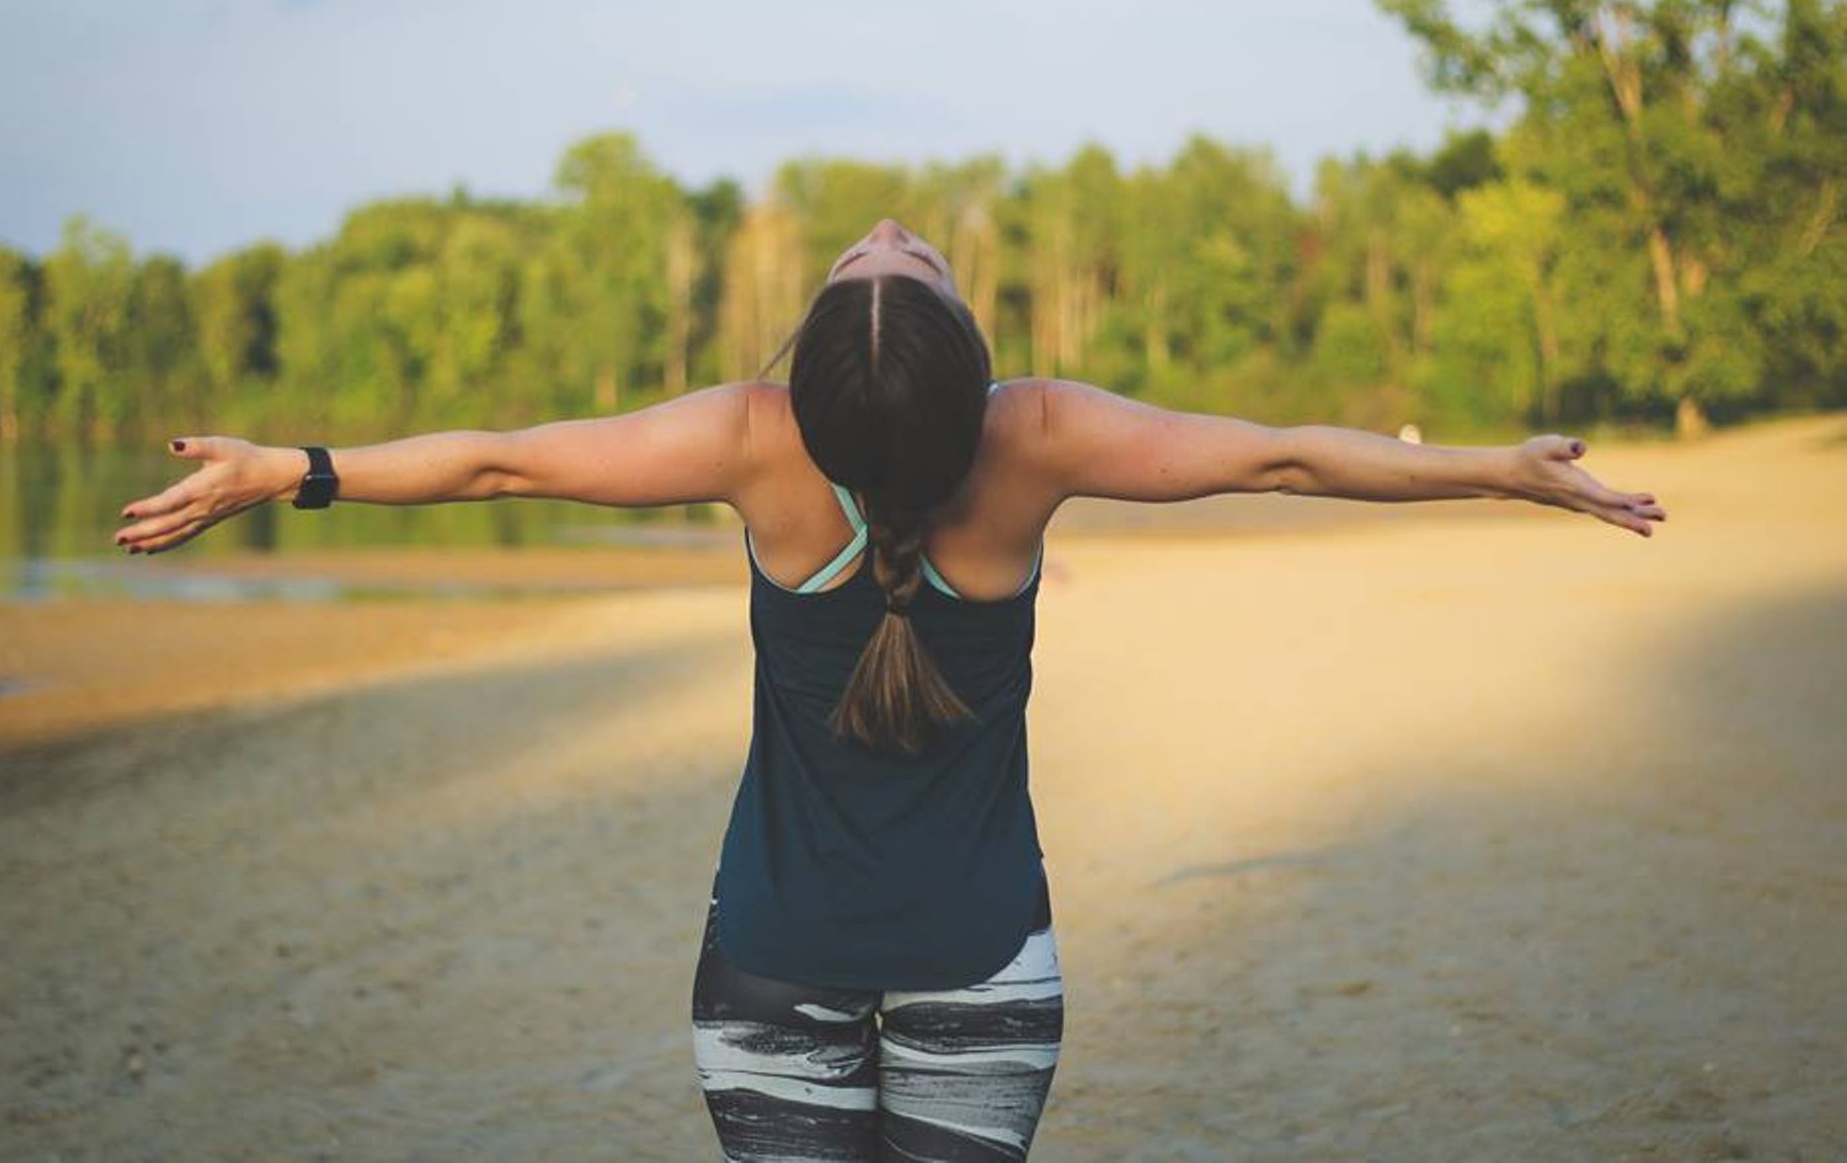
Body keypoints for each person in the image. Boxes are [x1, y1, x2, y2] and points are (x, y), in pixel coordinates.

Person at [111, 216, 1668, 1159]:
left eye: (885, 259)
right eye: (891, 258)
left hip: (770, 966)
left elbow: (503, 458)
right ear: (961, 358)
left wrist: (294, 471)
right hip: (986, 968)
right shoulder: (1038, 432)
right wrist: (1502, 472)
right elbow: (1281, 453)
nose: (884, 234)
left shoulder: (752, 438)